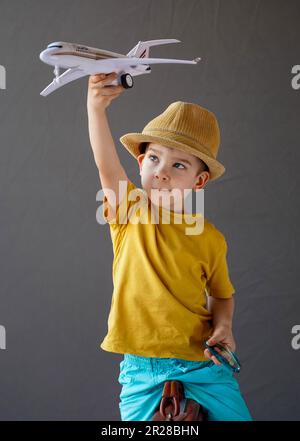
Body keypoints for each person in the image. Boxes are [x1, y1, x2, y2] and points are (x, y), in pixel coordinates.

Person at [87, 71, 253, 421]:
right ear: (140, 162)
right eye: (153, 159)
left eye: (179, 164)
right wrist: (96, 107)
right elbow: (106, 164)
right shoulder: (127, 210)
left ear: (200, 180)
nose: (161, 172)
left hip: (202, 366)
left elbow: (222, 295)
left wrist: (224, 328)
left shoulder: (210, 238)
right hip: (140, 370)